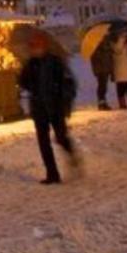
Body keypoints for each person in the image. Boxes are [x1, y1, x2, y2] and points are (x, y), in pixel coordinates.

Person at [18, 33, 80, 184]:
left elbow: (68, 84)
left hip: (55, 106)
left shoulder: (55, 62)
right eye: (32, 46)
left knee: (60, 136)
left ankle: (71, 153)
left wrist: (64, 102)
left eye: (37, 45)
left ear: (44, 46)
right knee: (43, 142)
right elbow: (23, 82)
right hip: (39, 108)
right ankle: (52, 173)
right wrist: (24, 81)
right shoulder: (30, 64)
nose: (34, 49)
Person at [90, 32, 116, 110]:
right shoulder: (95, 47)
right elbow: (95, 59)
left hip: (105, 68)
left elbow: (110, 58)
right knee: (102, 86)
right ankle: (101, 102)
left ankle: (102, 102)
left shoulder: (107, 45)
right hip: (101, 69)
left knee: (104, 86)